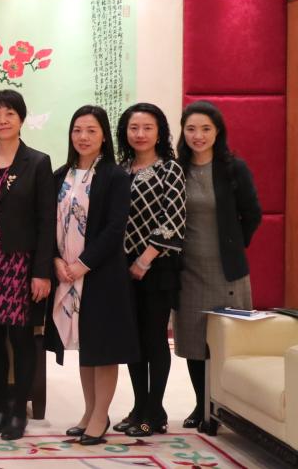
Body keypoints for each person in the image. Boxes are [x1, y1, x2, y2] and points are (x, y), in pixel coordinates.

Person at [46, 105, 137, 446]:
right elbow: (46, 223)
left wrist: (83, 264)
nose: (83, 137)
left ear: (104, 137)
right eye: (77, 130)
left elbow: (115, 228)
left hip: (101, 274)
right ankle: (89, 411)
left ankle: (101, 415)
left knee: (104, 349)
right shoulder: (60, 175)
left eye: (91, 131)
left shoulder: (115, 176)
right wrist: (56, 260)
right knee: (85, 347)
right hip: (67, 274)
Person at [0, 90, 54, 441]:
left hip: (21, 263)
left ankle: (20, 411)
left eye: (9, 113)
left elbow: (46, 221)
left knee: (21, 340)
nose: (2, 120)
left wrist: (42, 271)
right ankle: (0, 407)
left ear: (21, 118)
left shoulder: (38, 162)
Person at [173, 100, 261, 431]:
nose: (198, 135)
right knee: (195, 341)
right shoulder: (176, 168)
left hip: (226, 270)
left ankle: (224, 406)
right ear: (183, 132)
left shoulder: (233, 168)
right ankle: (202, 404)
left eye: (205, 129)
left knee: (226, 340)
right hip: (188, 269)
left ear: (217, 131)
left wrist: (234, 244)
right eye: (191, 129)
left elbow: (252, 213)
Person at [113, 103, 186, 437]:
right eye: (133, 128)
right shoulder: (121, 169)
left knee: (154, 339)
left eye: (147, 128)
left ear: (160, 133)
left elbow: (173, 220)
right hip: (123, 269)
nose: (140, 134)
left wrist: (144, 261)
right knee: (133, 340)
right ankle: (139, 406)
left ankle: (155, 412)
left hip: (158, 268)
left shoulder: (170, 169)